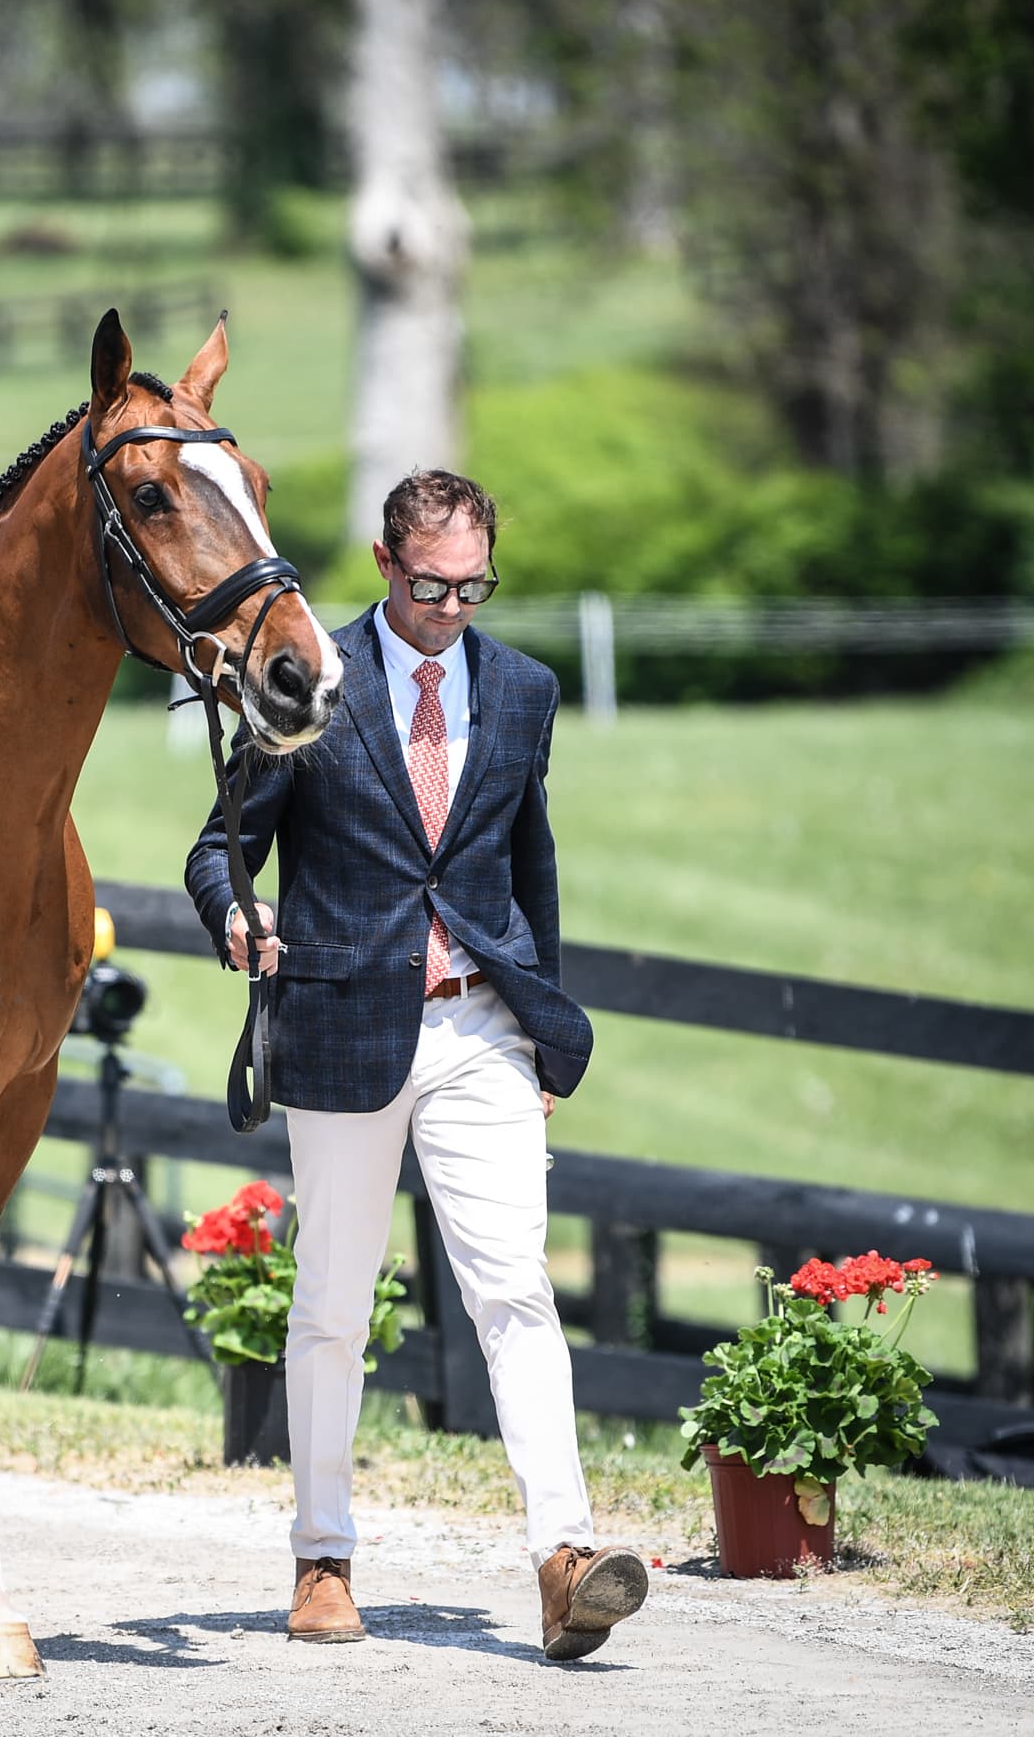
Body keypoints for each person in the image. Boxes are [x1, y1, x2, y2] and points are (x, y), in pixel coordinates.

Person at [183, 469, 646, 1662]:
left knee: (514, 1288)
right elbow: (220, 846)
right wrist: (234, 912)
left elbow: (528, 867)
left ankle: (564, 1558)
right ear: (386, 563)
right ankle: (321, 1557)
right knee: (331, 1307)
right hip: (342, 1028)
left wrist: (544, 1029)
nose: (450, 608)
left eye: (472, 587)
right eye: (431, 585)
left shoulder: (524, 690)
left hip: (482, 1023)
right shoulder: (307, 675)